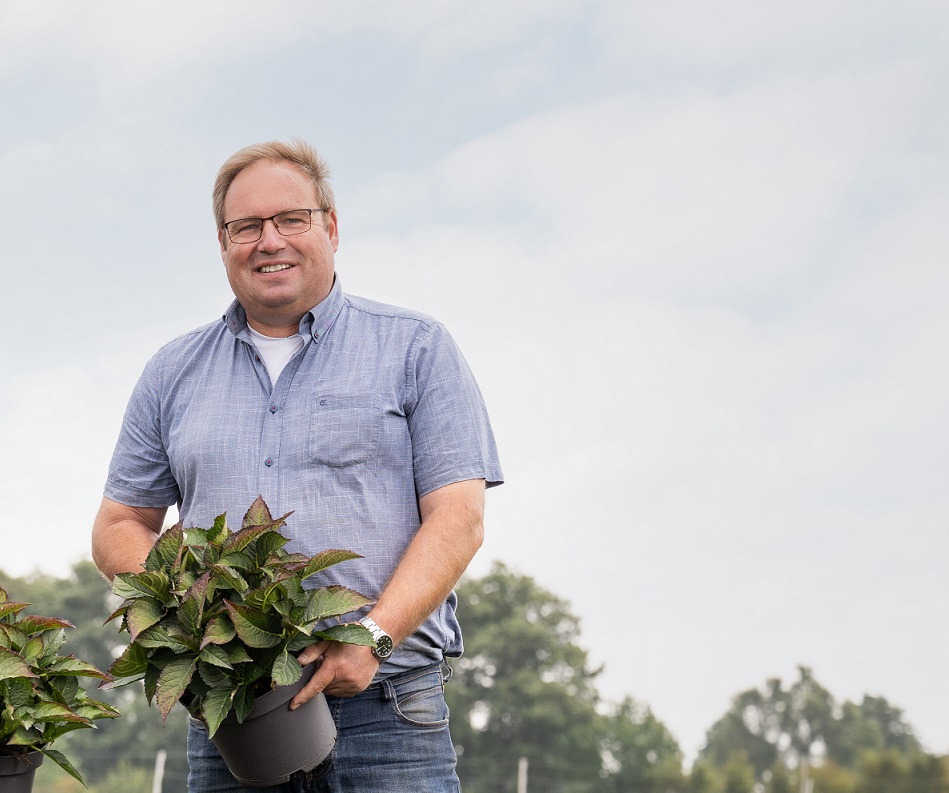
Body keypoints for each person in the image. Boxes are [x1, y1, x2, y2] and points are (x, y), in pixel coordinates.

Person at [91, 139, 503, 792]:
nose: (268, 240)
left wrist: (373, 635)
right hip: (232, 714)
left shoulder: (415, 348)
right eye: (245, 226)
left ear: (330, 227)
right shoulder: (172, 372)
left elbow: (458, 517)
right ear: (222, 243)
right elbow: (119, 524)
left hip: (388, 712)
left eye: (290, 219)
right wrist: (194, 608)